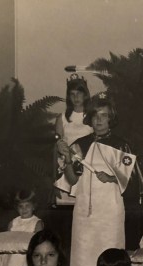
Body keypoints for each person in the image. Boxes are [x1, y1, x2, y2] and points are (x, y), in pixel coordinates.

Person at [57, 93, 143, 266]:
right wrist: (67, 159)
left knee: (111, 254)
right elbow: (71, 180)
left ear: (111, 118)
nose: (99, 119)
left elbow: (134, 184)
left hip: (110, 211)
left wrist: (113, 178)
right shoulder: (79, 144)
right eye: (95, 115)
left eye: (104, 115)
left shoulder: (121, 145)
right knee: (83, 257)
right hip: (84, 213)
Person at [54, 74, 93, 205]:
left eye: (79, 93)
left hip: (87, 166)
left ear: (85, 95)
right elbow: (58, 144)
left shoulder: (92, 117)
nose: (76, 98)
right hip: (68, 164)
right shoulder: (62, 118)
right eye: (72, 94)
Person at [0, 189, 44, 266]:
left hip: (28, 259)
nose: (24, 209)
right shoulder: (13, 222)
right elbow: (7, 241)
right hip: (14, 259)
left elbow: (39, 243)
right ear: (17, 208)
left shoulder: (37, 222)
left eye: (27, 206)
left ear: (33, 206)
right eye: (21, 206)